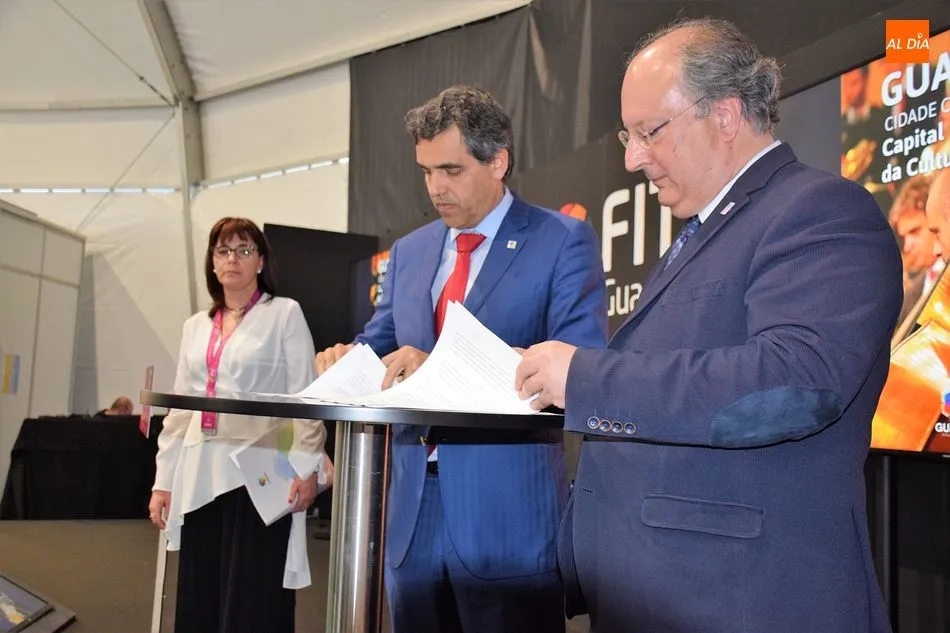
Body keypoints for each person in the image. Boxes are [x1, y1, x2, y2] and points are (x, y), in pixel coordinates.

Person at [515, 18, 902, 633]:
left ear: (724, 115)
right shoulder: (705, 232)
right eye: (628, 136)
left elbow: (796, 381)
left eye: (650, 132)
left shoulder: (819, 209)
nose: (632, 158)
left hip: (744, 600)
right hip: (675, 591)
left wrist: (587, 380)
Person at [315, 85, 607, 633]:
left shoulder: (562, 240)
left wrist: (439, 368)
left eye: (451, 170)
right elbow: (382, 340)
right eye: (426, 171)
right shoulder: (410, 250)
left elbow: (579, 363)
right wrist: (346, 360)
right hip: (412, 513)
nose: (435, 187)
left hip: (506, 515)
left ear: (498, 162)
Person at [148, 217, 332, 633]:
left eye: (244, 250)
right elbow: (180, 409)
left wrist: (306, 468)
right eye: (224, 251)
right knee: (201, 593)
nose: (233, 259)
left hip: (260, 469)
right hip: (199, 471)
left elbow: (305, 397)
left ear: (261, 262)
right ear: (213, 263)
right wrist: (164, 481)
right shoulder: (195, 326)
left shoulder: (284, 313)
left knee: (255, 594)